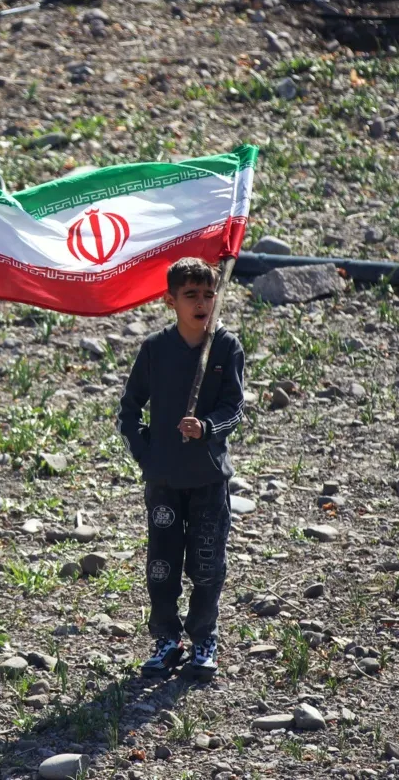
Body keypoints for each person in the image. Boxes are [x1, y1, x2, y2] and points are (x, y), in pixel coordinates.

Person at [117, 257, 245, 679]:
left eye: (209, 294)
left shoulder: (226, 347)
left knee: (207, 563)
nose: (202, 303)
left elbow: (234, 407)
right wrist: (146, 455)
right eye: (191, 295)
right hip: (165, 481)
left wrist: (206, 427)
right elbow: (129, 409)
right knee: (162, 565)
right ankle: (166, 640)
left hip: (208, 478)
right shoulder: (155, 349)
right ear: (170, 301)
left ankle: (204, 638)